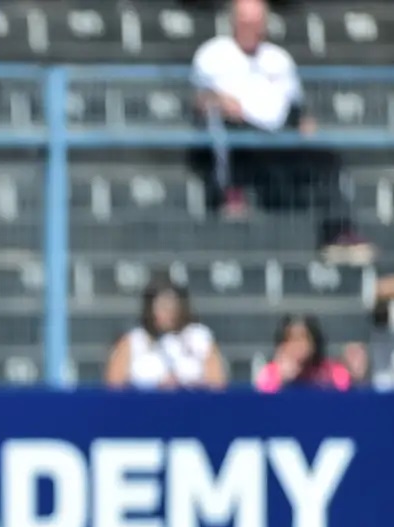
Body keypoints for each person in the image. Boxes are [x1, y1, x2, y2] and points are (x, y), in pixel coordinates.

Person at [188, 0, 370, 265]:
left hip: (279, 135)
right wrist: (218, 100)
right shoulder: (213, 54)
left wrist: (306, 123)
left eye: (256, 20)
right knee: (225, 127)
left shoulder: (278, 58)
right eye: (245, 20)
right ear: (233, 22)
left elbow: (296, 106)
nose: (251, 26)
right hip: (238, 133)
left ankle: (339, 232)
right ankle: (231, 194)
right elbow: (199, 102)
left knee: (328, 158)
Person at [104, 274, 226, 391]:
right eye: (161, 306)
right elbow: (114, 387)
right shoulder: (133, 341)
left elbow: (217, 384)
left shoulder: (199, 338)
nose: (167, 312)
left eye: (171, 306)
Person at [255, 313, 351, 392]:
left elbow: (344, 394)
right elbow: (263, 404)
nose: (297, 346)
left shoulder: (332, 371)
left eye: (302, 338)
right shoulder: (271, 373)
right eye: (291, 339)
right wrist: (283, 380)